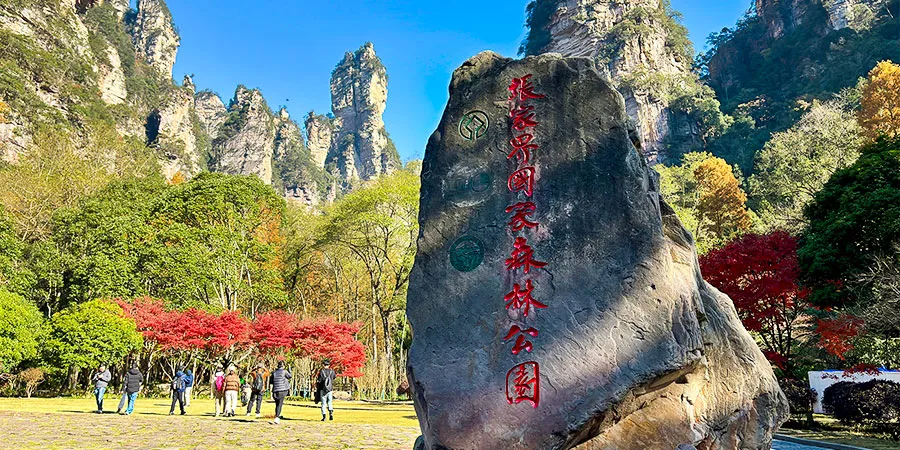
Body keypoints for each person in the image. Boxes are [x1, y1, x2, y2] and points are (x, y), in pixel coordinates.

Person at [269, 360, 292, 424]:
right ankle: (277, 417)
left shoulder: (274, 372)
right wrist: (289, 369)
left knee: (277, 404)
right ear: (283, 366)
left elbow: (271, 382)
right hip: (282, 390)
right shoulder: (284, 372)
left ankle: (277, 415)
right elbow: (290, 376)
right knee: (280, 404)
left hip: (275, 390)